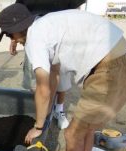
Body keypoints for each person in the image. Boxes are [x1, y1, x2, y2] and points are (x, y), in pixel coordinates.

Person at [0, 3, 126, 151]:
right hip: (120, 58)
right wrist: (47, 107)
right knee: (88, 129)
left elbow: (43, 88)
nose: (13, 40)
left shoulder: (35, 39)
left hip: (111, 69)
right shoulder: (47, 26)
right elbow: (53, 77)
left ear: (18, 29)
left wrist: (38, 126)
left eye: (10, 35)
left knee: (72, 135)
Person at [6, 0, 86, 129]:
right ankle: (41, 110)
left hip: (58, 39)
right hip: (29, 34)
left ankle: (57, 109)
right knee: (36, 81)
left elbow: (76, 7)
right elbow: (18, 9)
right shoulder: (31, 39)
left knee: (60, 78)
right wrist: (14, 38)